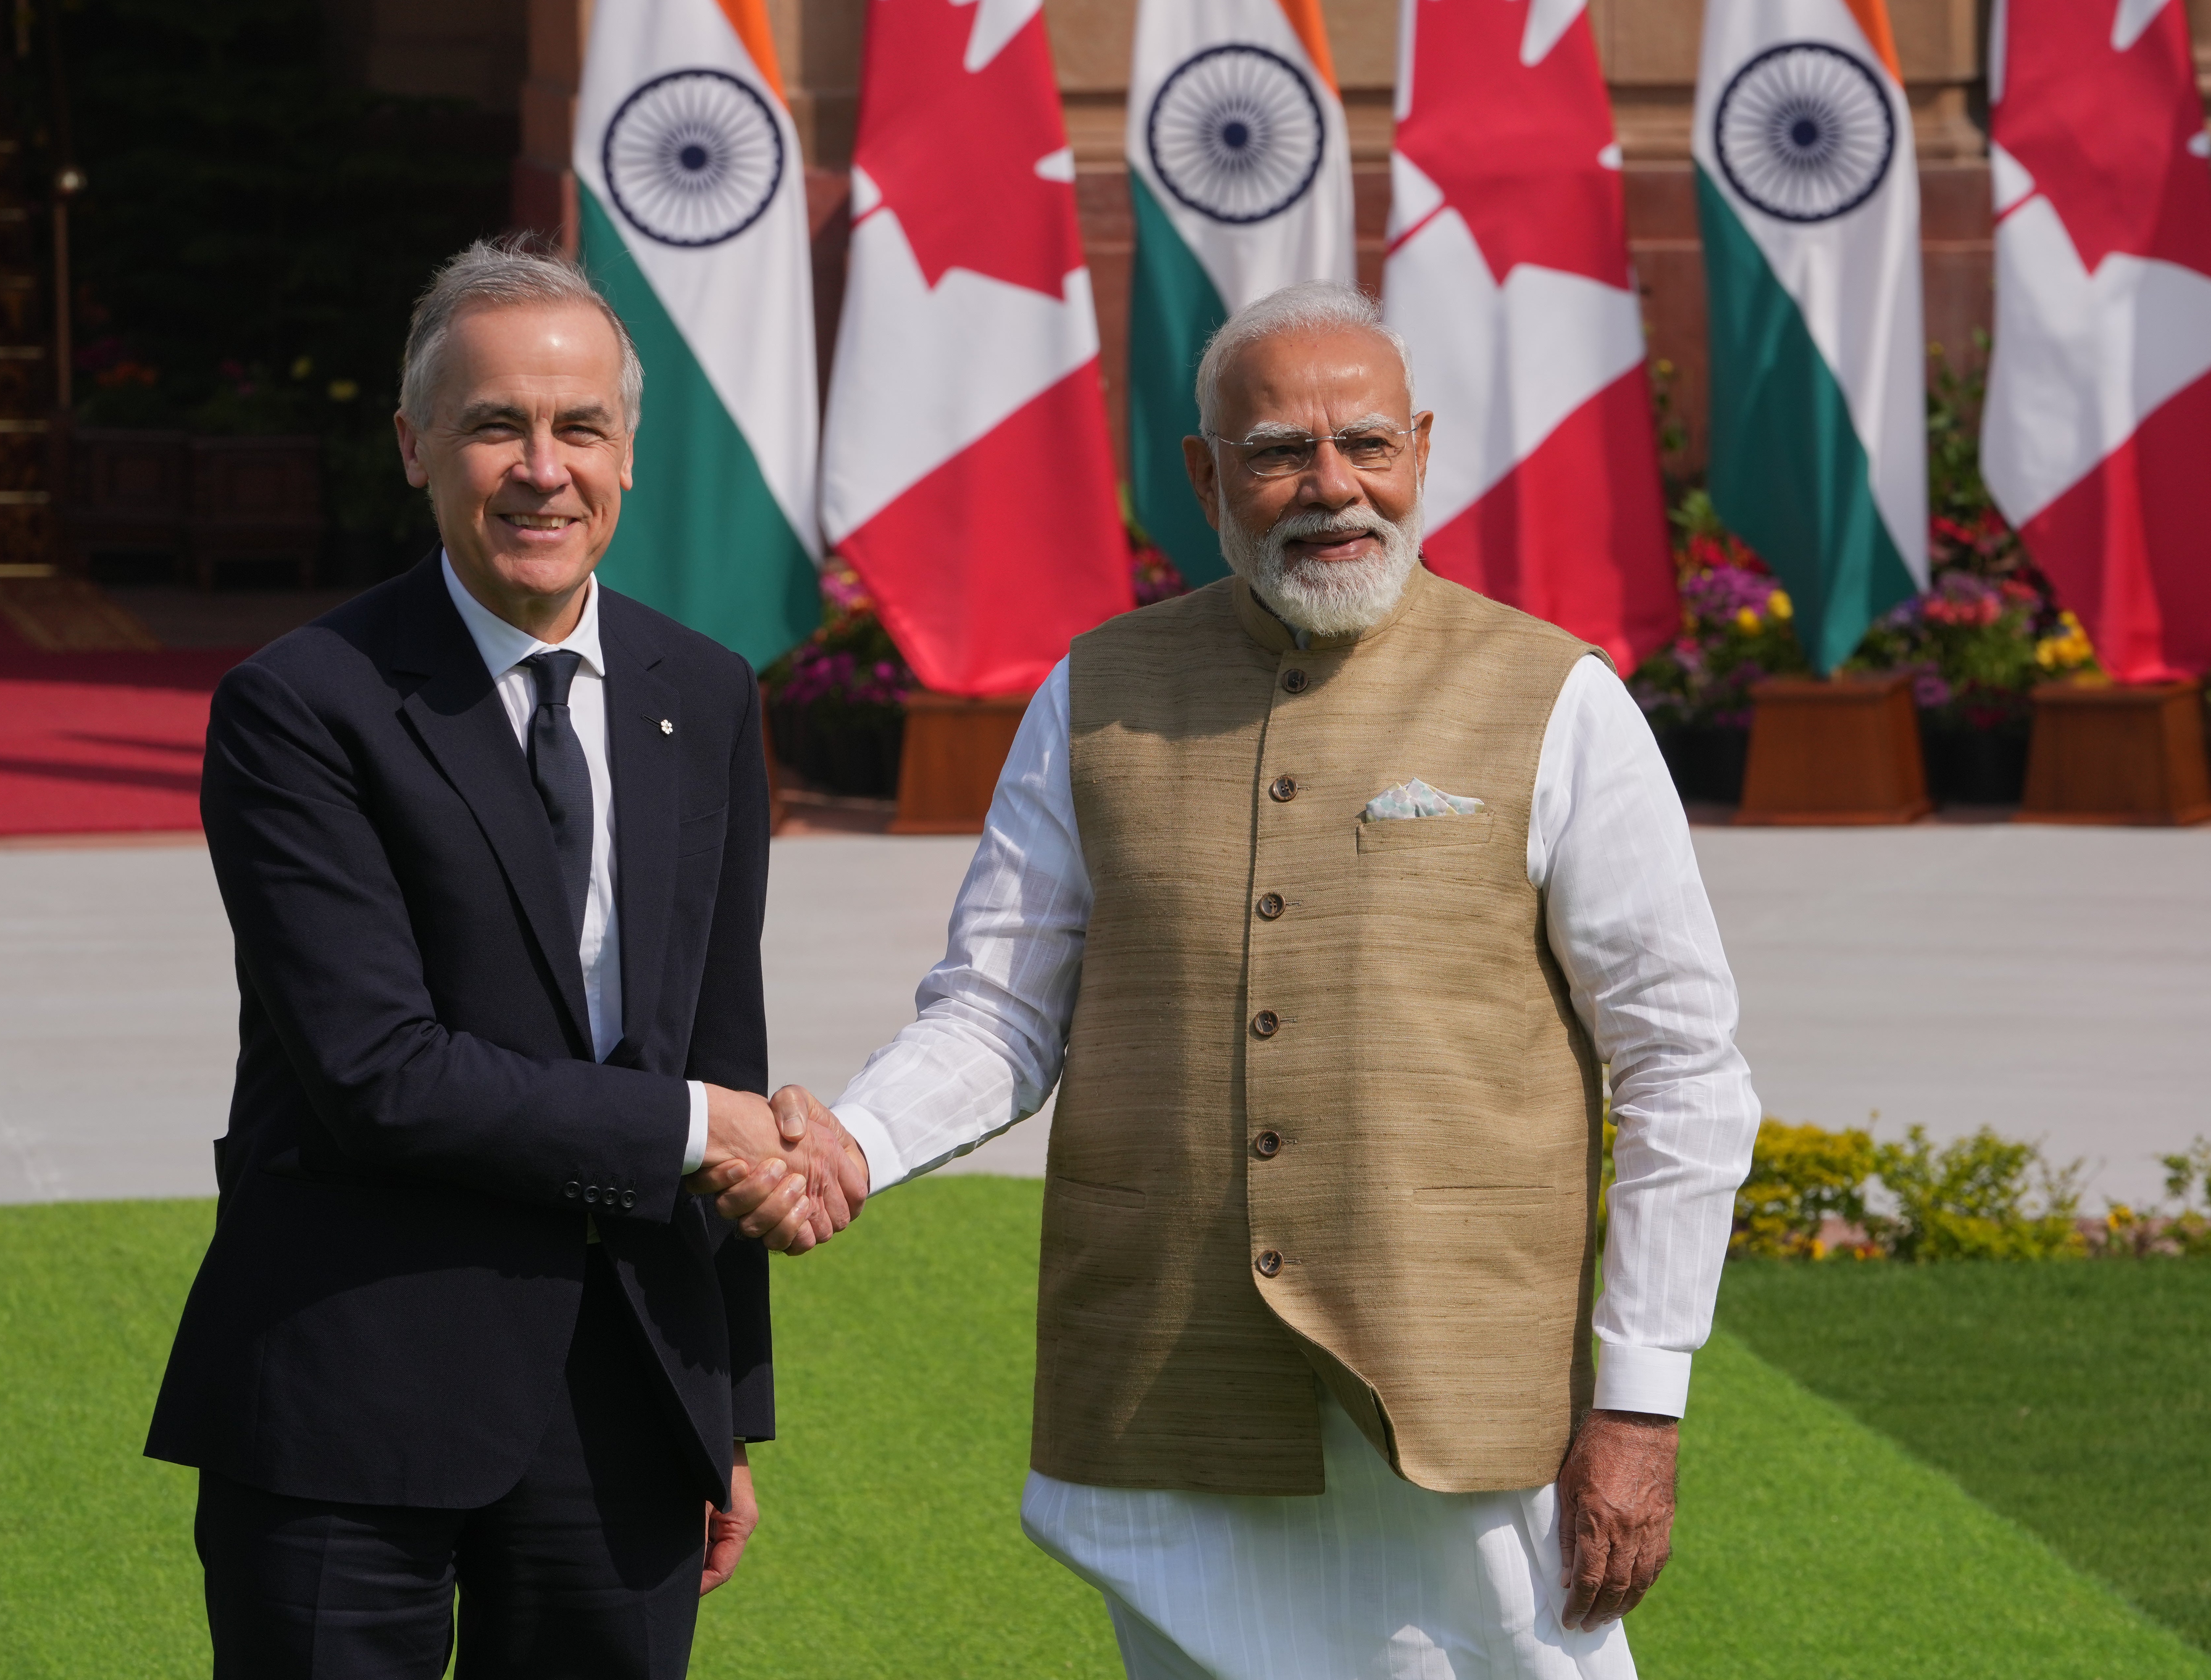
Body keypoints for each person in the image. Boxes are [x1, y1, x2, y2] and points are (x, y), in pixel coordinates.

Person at [724, 282, 1760, 1678]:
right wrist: (853, 1140)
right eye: (1278, 452)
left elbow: (1682, 1069)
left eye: (1367, 445)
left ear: (1421, 453)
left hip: (1458, 1403)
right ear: (1206, 474)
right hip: (1170, 1387)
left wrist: (1638, 1405)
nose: (1331, 489)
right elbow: (998, 1011)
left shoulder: (1557, 700)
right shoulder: (1094, 694)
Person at [144, 236, 847, 1680]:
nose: (543, 468)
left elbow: (719, 1049)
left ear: (628, 455)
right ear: (414, 448)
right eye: (493, 426)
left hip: (624, 1414)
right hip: (349, 1391)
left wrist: (718, 1414)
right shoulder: (298, 709)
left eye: (579, 427)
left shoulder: (703, 695)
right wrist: (692, 1128)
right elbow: (376, 1075)